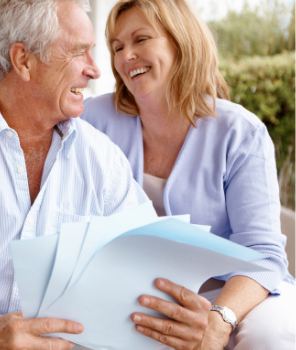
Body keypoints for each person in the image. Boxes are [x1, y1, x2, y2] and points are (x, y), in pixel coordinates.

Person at [0, 0, 214, 349]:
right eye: (79, 52)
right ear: (23, 60)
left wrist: (182, 316)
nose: (96, 70)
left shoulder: (102, 159)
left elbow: (147, 269)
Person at [81, 0, 295, 349]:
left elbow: (263, 254)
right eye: (117, 47)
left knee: (269, 338)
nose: (125, 56)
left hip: (233, 288)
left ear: (181, 41)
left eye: (140, 39)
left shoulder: (240, 132)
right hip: (136, 287)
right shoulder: (93, 119)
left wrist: (219, 319)